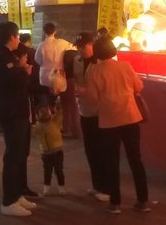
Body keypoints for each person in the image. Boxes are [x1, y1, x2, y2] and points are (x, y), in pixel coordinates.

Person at [84, 36, 154, 214]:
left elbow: (92, 99)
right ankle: (143, 200)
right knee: (135, 160)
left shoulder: (94, 71)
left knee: (111, 161)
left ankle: (115, 203)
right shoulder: (125, 66)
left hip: (108, 120)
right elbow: (138, 87)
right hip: (130, 117)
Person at [0, 21, 37, 217]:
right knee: (13, 156)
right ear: (12, 37)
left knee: (20, 154)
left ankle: (17, 195)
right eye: (17, 36)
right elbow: (14, 83)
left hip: (19, 111)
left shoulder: (8, 55)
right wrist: (24, 70)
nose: (19, 40)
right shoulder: (2, 57)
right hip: (11, 112)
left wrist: (22, 66)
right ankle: (8, 201)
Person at [70, 32, 105, 199]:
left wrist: (87, 91)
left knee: (102, 150)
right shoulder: (77, 61)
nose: (81, 49)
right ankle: (96, 185)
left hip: (100, 111)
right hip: (84, 109)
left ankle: (105, 188)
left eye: (84, 46)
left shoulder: (101, 63)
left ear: (92, 44)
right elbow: (74, 80)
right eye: (78, 46)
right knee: (90, 149)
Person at [34, 22, 72, 108]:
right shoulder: (62, 43)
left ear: (44, 32)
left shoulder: (41, 45)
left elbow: (37, 60)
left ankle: (48, 113)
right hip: (59, 76)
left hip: (45, 77)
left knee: (47, 100)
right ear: (55, 31)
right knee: (60, 102)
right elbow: (74, 48)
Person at [32, 105, 66, 196]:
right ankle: (47, 188)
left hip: (57, 152)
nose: (44, 113)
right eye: (42, 112)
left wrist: (58, 105)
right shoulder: (37, 127)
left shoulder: (54, 121)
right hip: (46, 153)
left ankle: (61, 187)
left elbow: (60, 113)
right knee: (47, 171)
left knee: (58, 170)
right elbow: (31, 131)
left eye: (46, 111)